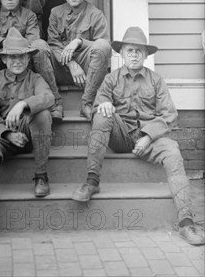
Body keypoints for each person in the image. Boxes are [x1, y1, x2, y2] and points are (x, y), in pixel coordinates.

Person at [71, 27, 205, 246]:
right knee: (102, 115)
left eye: (138, 51)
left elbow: (169, 115)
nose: (134, 55)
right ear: (122, 53)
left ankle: (186, 222)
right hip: (120, 135)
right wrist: (103, 103)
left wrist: (148, 136)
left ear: (146, 55)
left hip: (149, 136)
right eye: (130, 50)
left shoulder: (156, 80)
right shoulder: (110, 79)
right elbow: (98, 103)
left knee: (172, 150)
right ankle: (92, 180)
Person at [0, 28, 54, 244]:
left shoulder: (35, 78)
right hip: (3, 137)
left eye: (21, 56)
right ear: (5, 59)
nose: (17, 61)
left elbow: (48, 97)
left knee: (44, 114)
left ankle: (41, 175)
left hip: (31, 134)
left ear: (28, 58)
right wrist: (7, 134)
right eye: (12, 57)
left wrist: (23, 104)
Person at [48, 0, 111, 120]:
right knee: (39, 48)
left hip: (87, 73)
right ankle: (55, 102)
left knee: (103, 46)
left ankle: (87, 103)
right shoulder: (55, 13)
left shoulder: (96, 15)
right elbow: (53, 44)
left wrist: (79, 41)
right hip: (61, 69)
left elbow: (103, 45)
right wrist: (71, 64)